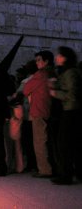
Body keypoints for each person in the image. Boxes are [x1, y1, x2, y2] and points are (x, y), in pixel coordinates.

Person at [49, 46, 82, 185]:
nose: (56, 58)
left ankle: (66, 175)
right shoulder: (67, 72)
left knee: (65, 144)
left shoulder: (70, 72)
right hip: (70, 111)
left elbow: (72, 94)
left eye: (59, 55)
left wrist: (54, 93)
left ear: (65, 58)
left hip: (71, 111)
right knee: (71, 144)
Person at [23, 50, 55, 178]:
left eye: (39, 60)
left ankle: (45, 170)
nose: (37, 62)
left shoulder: (41, 74)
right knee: (46, 141)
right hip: (47, 109)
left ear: (46, 61)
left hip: (39, 110)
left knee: (39, 141)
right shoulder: (51, 73)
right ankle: (48, 168)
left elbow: (26, 89)